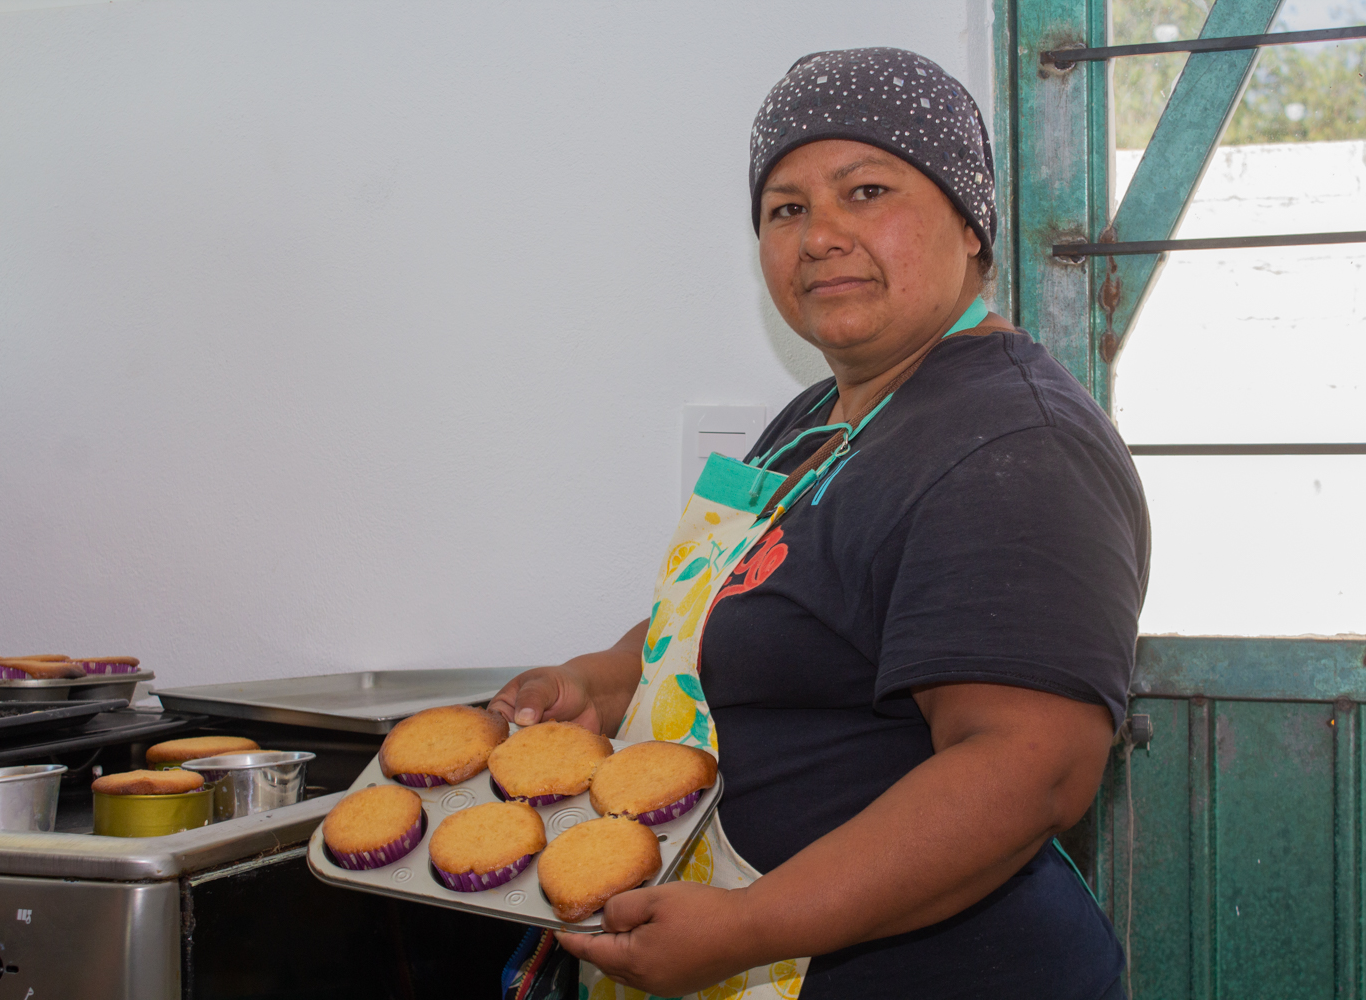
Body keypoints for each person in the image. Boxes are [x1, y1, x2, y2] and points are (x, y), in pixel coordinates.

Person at [490, 47, 1149, 1000]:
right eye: (785, 208)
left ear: (971, 225)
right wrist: (594, 681)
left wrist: (751, 927)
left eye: (867, 190)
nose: (820, 235)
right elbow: (728, 613)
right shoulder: (816, 420)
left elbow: (1028, 768)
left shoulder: (1014, 444)